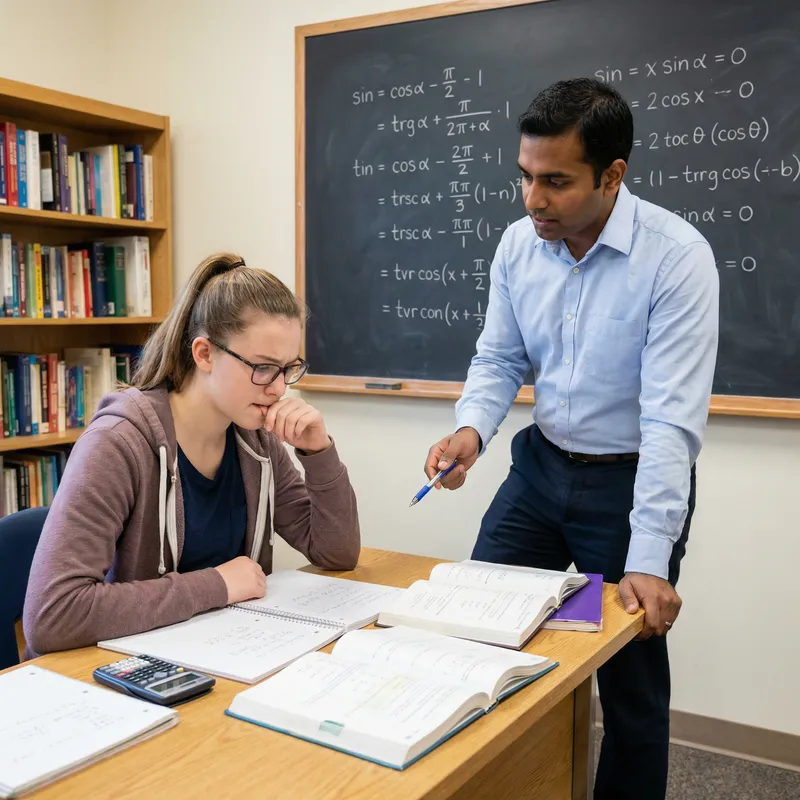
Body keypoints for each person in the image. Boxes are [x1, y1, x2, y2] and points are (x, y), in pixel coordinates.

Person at [424, 78, 719, 800]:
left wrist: (649, 557)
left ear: (612, 175)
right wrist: (471, 429)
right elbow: (499, 357)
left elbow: (671, 422)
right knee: (474, 633)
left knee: (629, 687)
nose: (533, 200)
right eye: (525, 177)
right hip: (542, 471)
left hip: (627, 485)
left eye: (555, 181)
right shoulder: (519, 247)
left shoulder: (676, 258)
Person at [24, 252, 360, 655]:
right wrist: (216, 585)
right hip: (115, 673)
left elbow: (336, 553)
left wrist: (318, 452)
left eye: (288, 369)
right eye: (264, 368)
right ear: (204, 354)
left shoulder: (257, 439)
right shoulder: (117, 443)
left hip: (219, 654)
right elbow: (52, 614)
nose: (278, 389)